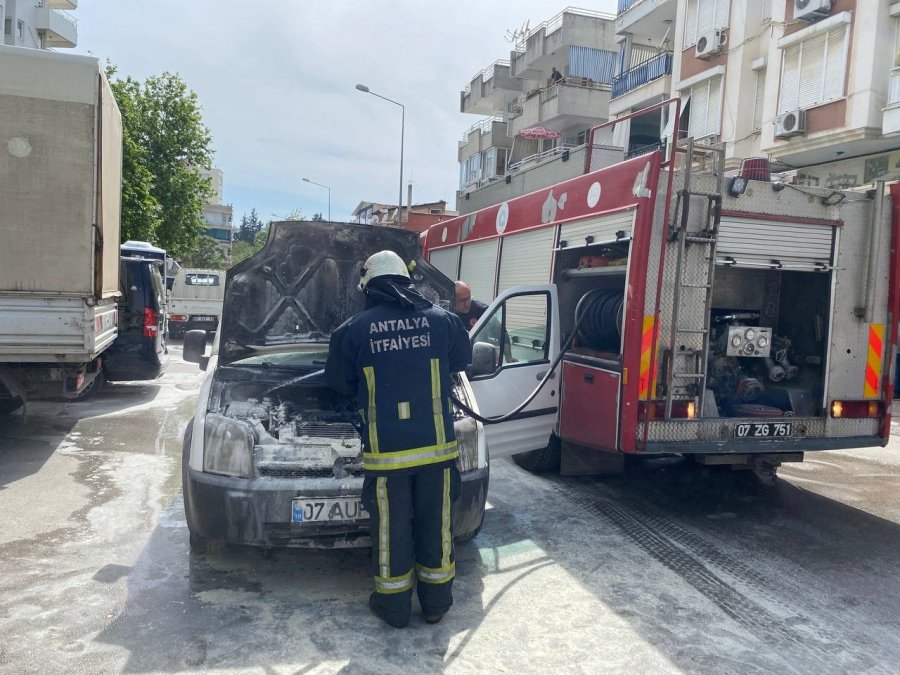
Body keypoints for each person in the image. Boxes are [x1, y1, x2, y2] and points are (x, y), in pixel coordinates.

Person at [325, 250, 472, 628]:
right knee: (436, 526)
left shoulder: (352, 331)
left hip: (388, 456)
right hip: (437, 451)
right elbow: (459, 361)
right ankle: (436, 604)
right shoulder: (444, 322)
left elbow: (339, 384)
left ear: (368, 285)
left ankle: (393, 609)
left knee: (391, 529)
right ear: (408, 280)